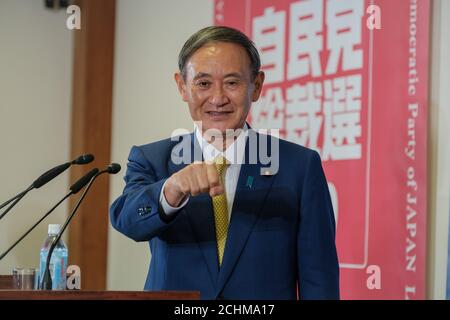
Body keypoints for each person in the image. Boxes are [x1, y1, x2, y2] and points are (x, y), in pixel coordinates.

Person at [110, 26, 339, 300]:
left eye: (232, 82)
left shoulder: (299, 167)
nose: (218, 98)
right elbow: (127, 221)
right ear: (182, 86)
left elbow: (319, 278)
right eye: (203, 83)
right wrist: (171, 190)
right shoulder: (153, 159)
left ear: (256, 86)